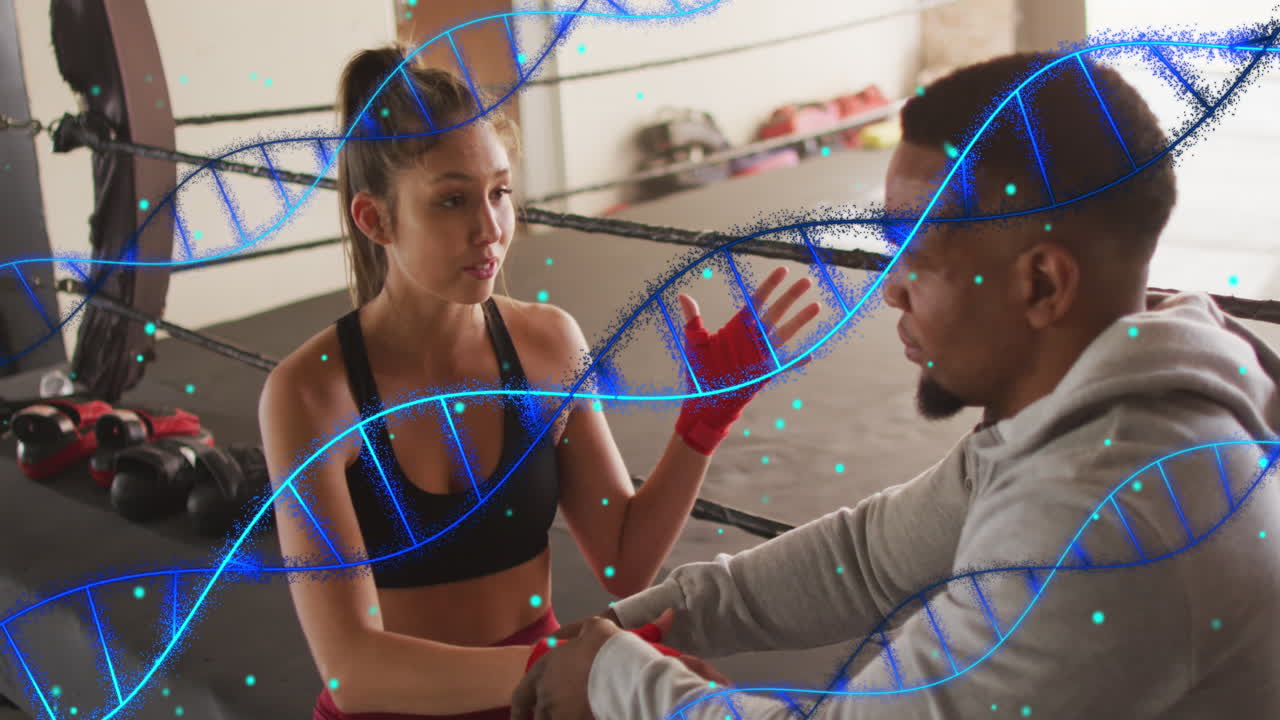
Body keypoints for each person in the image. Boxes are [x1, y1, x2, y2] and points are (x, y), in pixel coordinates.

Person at [514, 51, 1280, 719]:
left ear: (1043, 283)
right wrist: (618, 631)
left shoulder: (1112, 521)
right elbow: (870, 554)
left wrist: (617, 678)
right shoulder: (1103, 397)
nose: (890, 290)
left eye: (918, 250)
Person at [256, 45, 820, 719]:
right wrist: (571, 665)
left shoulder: (548, 346)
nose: (489, 228)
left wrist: (705, 419)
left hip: (538, 700)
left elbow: (623, 558)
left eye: (499, 192)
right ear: (375, 219)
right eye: (452, 201)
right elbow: (353, 671)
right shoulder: (313, 394)